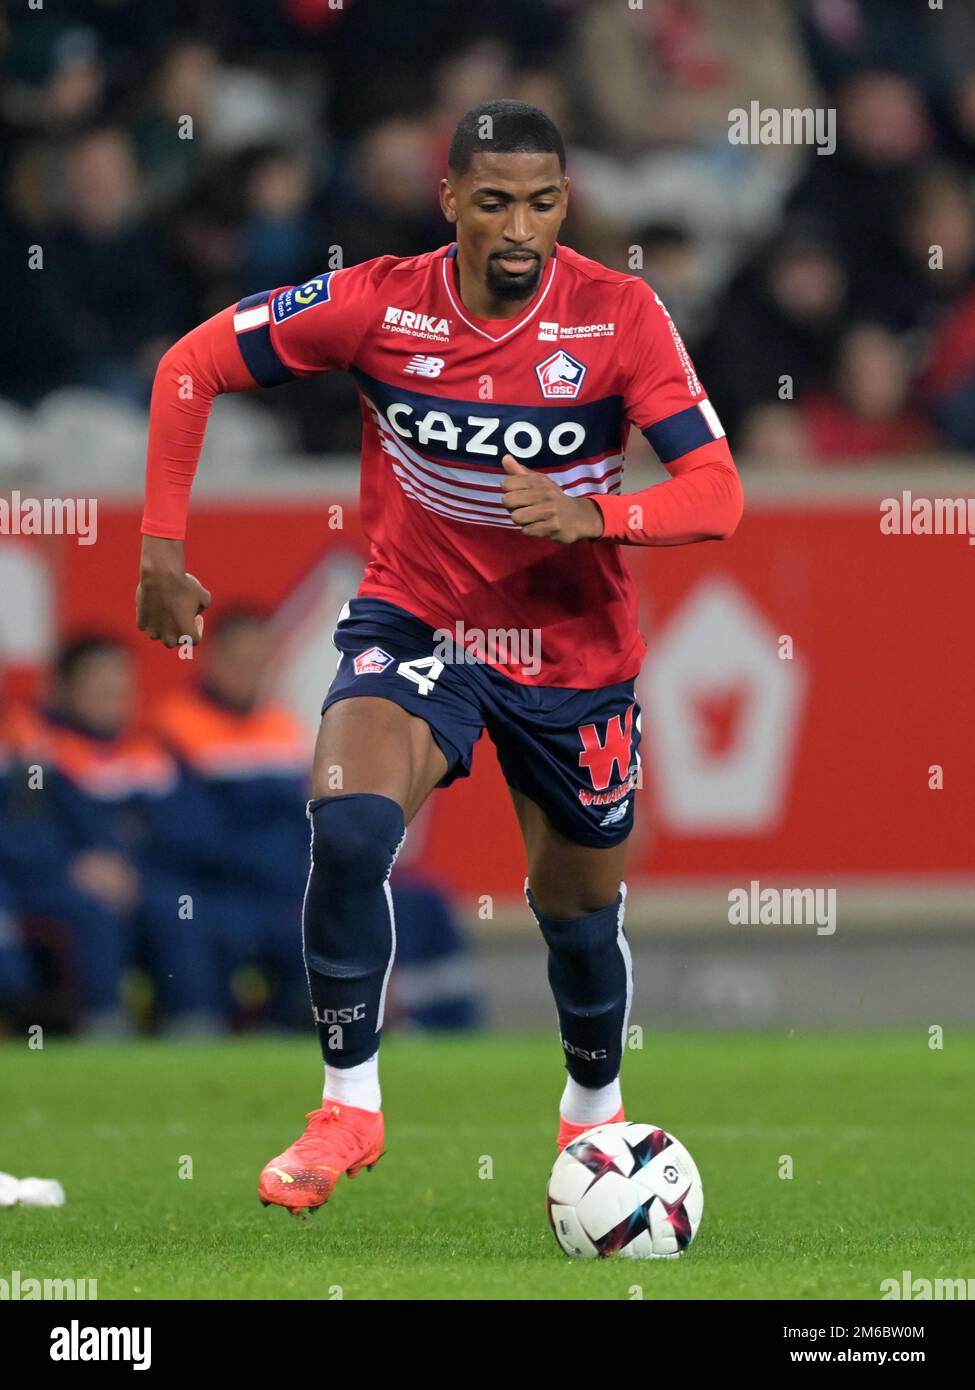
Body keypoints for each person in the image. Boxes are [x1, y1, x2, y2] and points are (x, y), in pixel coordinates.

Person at [135, 100, 743, 1215]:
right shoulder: (374, 302)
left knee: (577, 910)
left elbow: (718, 492)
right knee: (352, 823)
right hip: (421, 622)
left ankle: (592, 1115)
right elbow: (190, 368)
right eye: (498, 200)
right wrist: (162, 548)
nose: (523, 228)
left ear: (568, 202)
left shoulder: (620, 315)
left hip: (573, 655)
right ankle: (347, 1107)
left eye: (546, 202)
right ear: (451, 197)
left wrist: (596, 517)